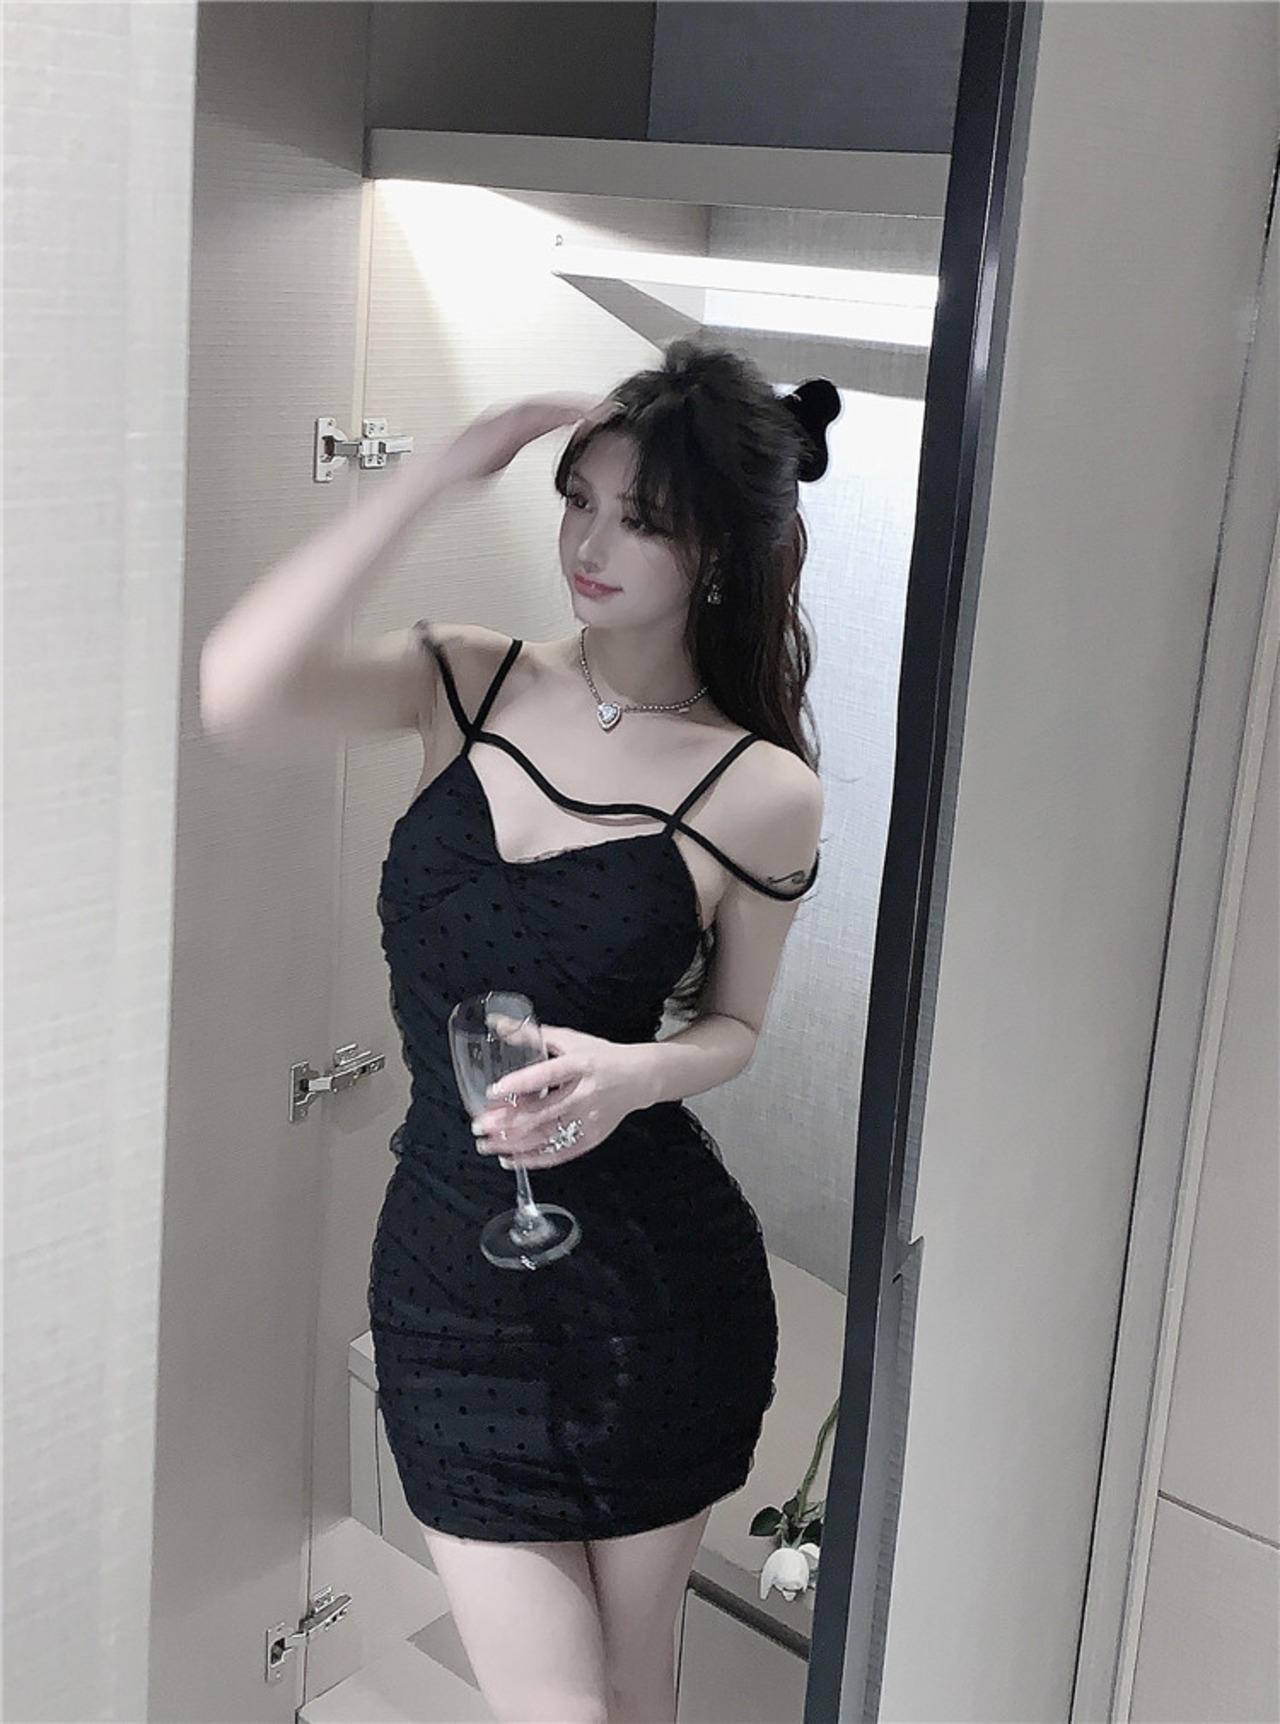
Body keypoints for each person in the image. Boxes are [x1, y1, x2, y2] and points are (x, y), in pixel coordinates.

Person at [200, 340, 837, 1724]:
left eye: (641, 519)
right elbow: (240, 686)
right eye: (578, 501)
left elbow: (734, 1025)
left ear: (718, 552)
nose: (591, 547)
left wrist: (634, 1072)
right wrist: (433, 474)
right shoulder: (467, 680)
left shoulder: (762, 788)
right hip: (450, 1282)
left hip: (655, 1294)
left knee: (633, 1684)